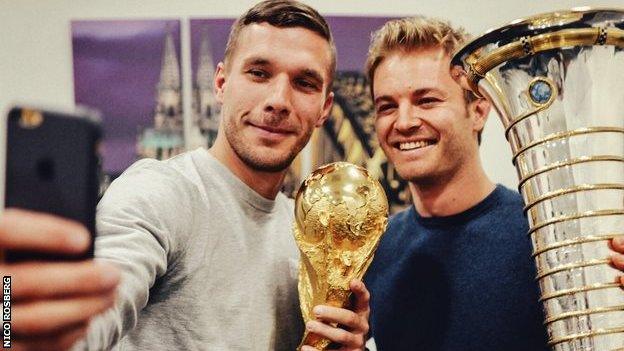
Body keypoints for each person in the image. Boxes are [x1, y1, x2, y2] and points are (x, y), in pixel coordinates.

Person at [0, 1, 371, 350]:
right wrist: (20, 322)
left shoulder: (308, 229)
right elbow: (93, 315)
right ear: (221, 84)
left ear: (324, 108)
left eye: (304, 83)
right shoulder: (160, 192)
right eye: (258, 73)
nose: (278, 100)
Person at [362, 16, 624, 351]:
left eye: (427, 100)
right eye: (387, 106)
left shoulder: (549, 237)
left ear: (479, 110)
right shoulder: (375, 250)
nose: (404, 121)